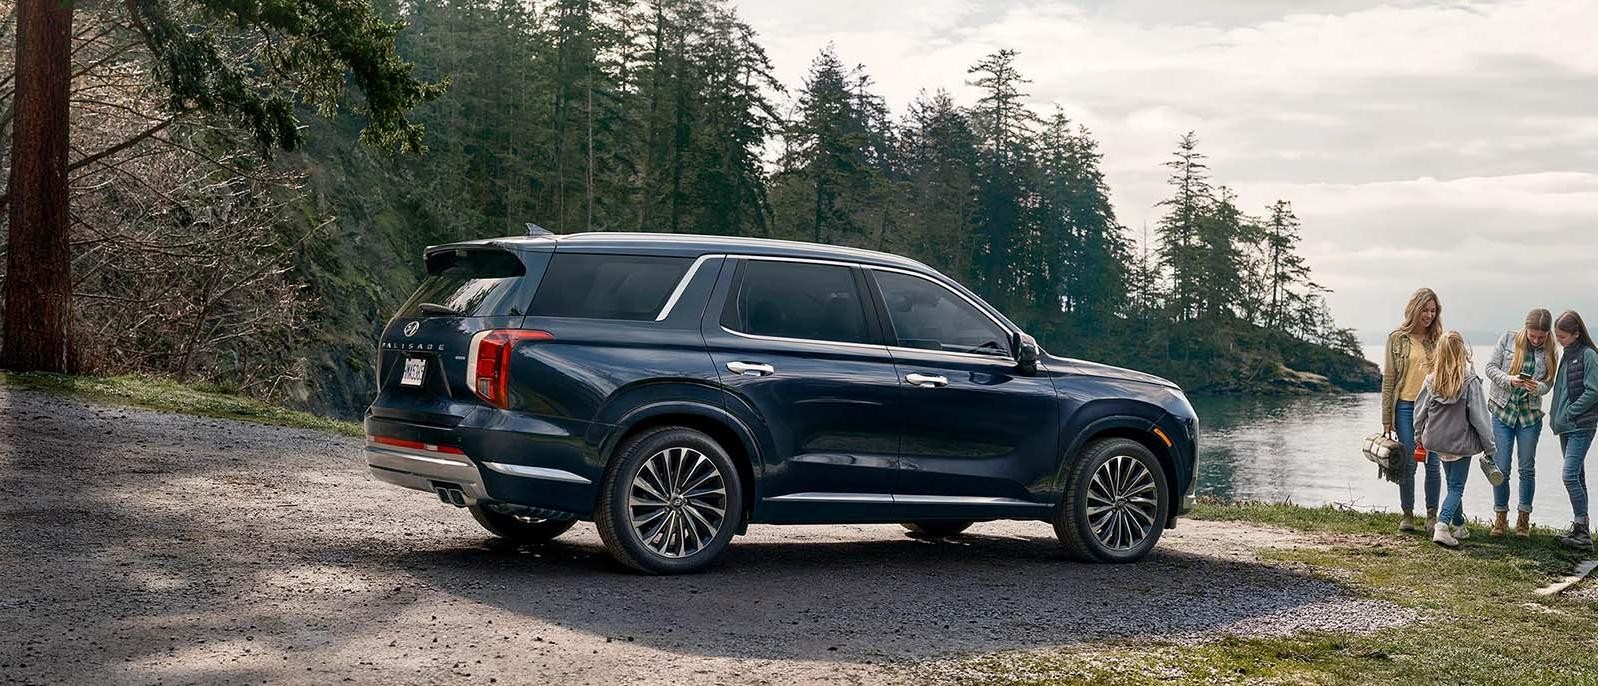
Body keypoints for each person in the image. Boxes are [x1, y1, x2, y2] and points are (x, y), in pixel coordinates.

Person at [1414, 331, 1497, 549]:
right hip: (1460, 443)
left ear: (1439, 354)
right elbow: (1480, 418)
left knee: (1452, 484)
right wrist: (1489, 447)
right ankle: (1442, 525)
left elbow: (1419, 411)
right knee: (1457, 487)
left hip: (1437, 441)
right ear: (1463, 352)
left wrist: (1418, 436)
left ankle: (1459, 525)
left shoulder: (1431, 380)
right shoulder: (1469, 382)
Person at [1483, 309, 1557, 536]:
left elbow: (1549, 381)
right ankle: (1500, 518)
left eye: (1541, 337)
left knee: (1527, 468)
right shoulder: (1507, 339)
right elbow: (1489, 368)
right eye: (1533, 336)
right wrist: (1510, 380)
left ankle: (1523, 520)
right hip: (1502, 413)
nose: (1536, 340)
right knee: (1501, 467)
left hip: (1529, 416)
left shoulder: (1551, 350)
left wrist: (1540, 388)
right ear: (1525, 329)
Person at [1381, 288, 1442, 532]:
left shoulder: (1439, 339)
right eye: (1425, 310)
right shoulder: (1397, 338)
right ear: (1415, 310)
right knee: (1409, 462)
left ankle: (1432, 516)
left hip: (1434, 408)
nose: (1429, 315)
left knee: (1433, 462)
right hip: (1405, 407)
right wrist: (1387, 417)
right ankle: (1407, 514)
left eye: (1433, 310)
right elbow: (1389, 379)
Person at [1551, 310, 1598, 549]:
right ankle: (1582, 529)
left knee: (1569, 475)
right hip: (1566, 427)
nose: (1559, 340)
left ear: (1576, 333)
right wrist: (1557, 418)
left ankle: (1582, 532)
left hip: (1581, 425)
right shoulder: (1568, 355)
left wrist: (1570, 411)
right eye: (1557, 336)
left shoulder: (1588, 355)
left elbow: (1594, 391)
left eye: (1562, 336)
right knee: (1577, 475)